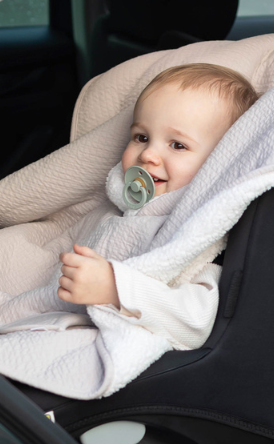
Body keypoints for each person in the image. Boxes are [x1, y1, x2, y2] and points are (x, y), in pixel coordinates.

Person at [54, 62, 258, 313]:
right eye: (142, 137)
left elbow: (196, 318)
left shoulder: (204, 232)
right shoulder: (122, 209)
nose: (148, 154)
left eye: (177, 145)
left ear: (220, 162)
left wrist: (116, 290)